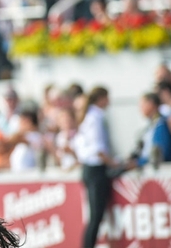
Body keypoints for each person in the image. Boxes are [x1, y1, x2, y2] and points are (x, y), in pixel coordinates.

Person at [72, 86, 114, 248]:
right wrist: (112, 162)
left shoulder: (88, 116)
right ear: (101, 98)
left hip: (88, 169)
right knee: (96, 216)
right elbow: (98, 147)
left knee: (95, 215)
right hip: (96, 169)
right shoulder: (96, 116)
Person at [133, 92, 171, 166]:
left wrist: (139, 163)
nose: (140, 108)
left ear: (151, 104)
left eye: (142, 105)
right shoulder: (151, 124)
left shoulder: (161, 124)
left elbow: (162, 154)